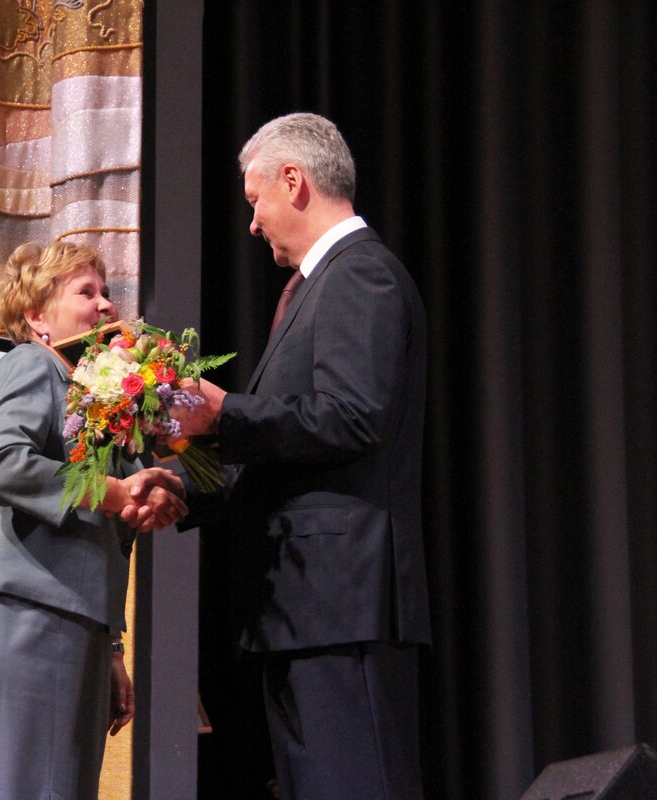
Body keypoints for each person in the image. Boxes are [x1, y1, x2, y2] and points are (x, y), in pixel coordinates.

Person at [174, 113, 430, 799]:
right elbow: (281, 450)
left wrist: (224, 412)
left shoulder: (360, 274)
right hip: (304, 608)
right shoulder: (321, 285)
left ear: (294, 181)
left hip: (341, 602)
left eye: (255, 199)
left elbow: (351, 416)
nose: (252, 223)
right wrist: (179, 482)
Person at [0, 240, 188, 800]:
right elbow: (1, 461)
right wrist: (113, 491)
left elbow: (106, 530)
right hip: (14, 619)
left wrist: (110, 647)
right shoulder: (33, 364)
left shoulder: (91, 405)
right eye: (86, 292)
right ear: (37, 317)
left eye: (106, 292)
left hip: (55, 624)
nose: (106, 305)